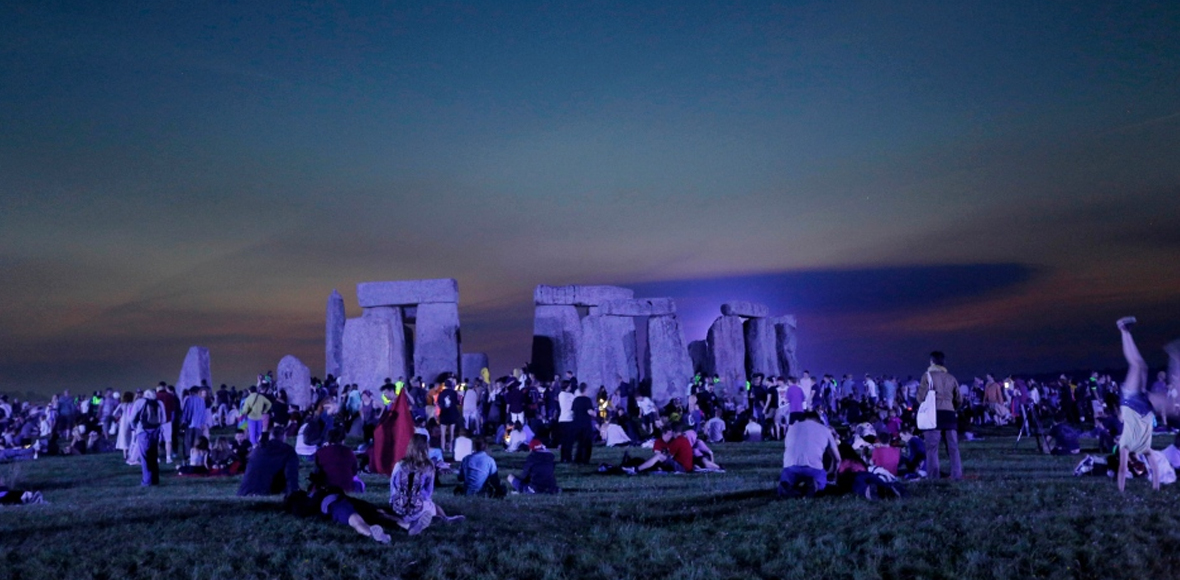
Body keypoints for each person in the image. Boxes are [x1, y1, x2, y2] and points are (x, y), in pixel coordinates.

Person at [1115, 317, 1164, 492]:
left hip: (1130, 400)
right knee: (1142, 366)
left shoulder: (1125, 446)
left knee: (1136, 366)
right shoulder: (1146, 449)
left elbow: (1122, 470)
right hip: (1143, 403)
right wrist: (1156, 488)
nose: (1132, 460)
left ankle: (1122, 330)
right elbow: (1155, 470)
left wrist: (1121, 491)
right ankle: (1125, 331)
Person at [389, 434, 463, 534]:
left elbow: (393, 487)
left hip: (399, 508)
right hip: (419, 506)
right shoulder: (428, 466)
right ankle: (443, 518)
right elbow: (428, 492)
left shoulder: (399, 465)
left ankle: (417, 520)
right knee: (432, 505)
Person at [918, 351, 963, 480]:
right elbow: (959, 399)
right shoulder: (951, 377)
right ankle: (957, 474)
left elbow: (920, 397)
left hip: (933, 415)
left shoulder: (927, 376)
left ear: (931, 362)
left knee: (932, 448)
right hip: (949, 414)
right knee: (953, 448)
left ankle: (933, 476)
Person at [779, 411, 840, 498]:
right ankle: (815, 486)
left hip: (791, 467)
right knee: (821, 480)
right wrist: (831, 474)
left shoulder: (792, 428)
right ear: (818, 420)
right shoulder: (825, 430)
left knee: (787, 481)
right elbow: (837, 459)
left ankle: (788, 489)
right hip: (814, 468)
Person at [237, 426, 300, 496]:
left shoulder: (258, 449)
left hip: (245, 492)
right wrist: (294, 493)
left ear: (270, 436)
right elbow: (291, 475)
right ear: (284, 436)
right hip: (265, 491)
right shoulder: (288, 451)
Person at [130, 389, 165, 486]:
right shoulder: (159, 403)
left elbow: (132, 418)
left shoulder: (139, 402)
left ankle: (146, 481)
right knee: (154, 455)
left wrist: (134, 427)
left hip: (143, 431)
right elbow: (164, 419)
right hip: (156, 431)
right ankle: (155, 480)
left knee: (145, 457)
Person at [312, 426, 360, 492]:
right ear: (342, 440)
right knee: (359, 483)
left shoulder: (321, 452)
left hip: (326, 487)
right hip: (346, 487)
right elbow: (354, 472)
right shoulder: (348, 451)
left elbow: (316, 470)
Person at [571, 384, 596, 464]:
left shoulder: (576, 400)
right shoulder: (587, 400)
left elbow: (573, 411)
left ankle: (577, 458)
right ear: (585, 389)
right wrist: (595, 413)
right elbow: (589, 411)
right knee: (587, 442)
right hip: (585, 423)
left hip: (577, 423)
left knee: (579, 442)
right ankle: (585, 459)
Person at [436, 379, 461, 455]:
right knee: (452, 433)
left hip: (444, 414)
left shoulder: (441, 393)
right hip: (452, 414)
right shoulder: (454, 393)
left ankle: (443, 448)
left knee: (443, 434)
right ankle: (451, 448)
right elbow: (457, 402)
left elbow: (439, 403)